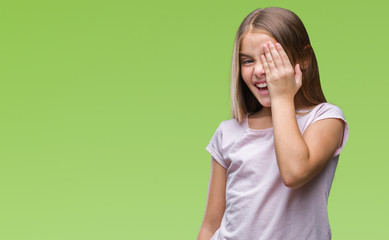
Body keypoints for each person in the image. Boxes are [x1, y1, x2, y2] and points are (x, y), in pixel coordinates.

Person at [197, 7, 349, 240]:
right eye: (247, 61)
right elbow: (210, 226)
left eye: (271, 58)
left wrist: (281, 97)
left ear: (304, 58)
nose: (259, 70)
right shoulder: (227, 132)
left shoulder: (325, 119)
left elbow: (294, 172)